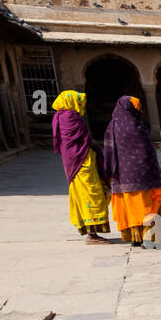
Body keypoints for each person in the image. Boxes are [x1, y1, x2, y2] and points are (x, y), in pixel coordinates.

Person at [101, 96, 161, 248]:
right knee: (149, 205)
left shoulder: (112, 126)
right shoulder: (136, 126)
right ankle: (152, 239)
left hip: (122, 177)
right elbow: (146, 151)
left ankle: (135, 238)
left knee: (131, 208)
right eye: (138, 106)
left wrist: (109, 173)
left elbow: (109, 151)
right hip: (144, 176)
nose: (140, 109)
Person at [51, 91, 110, 244]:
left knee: (85, 195)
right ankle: (92, 234)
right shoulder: (70, 117)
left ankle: (92, 231)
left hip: (73, 162)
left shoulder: (58, 117)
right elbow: (83, 140)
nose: (80, 105)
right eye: (78, 102)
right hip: (82, 162)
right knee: (92, 194)